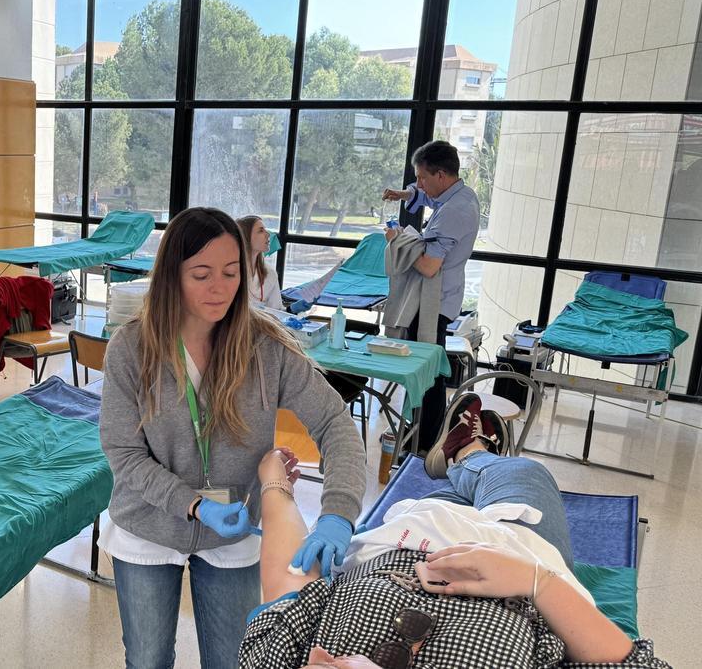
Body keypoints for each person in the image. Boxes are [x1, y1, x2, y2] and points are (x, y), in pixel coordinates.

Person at [100, 207, 366, 669]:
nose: (219, 288)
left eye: (230, 272)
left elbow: (335, 423)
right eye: (201, 274)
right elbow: (124, 453)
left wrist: (338, 513)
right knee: (147, 659)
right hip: (147, 524)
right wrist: (195, 503)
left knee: (233, 659)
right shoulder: (131, 347)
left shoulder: (266, 346)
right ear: (171, 277)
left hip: (236, 530)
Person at [238, 398, 669, 669]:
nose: (316, 657)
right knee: (524, 472)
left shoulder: (282, 659)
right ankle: (470, 451)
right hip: (519, 545)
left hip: (405, 533)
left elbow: (289, 589)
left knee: (450, 492)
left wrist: (274, 481)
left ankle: (465, 457)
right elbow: (631, 661)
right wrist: (534, 581)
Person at [381, 140, 481, 455]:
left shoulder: (454, 212)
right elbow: (428, 198)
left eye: (422, 178)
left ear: (440, 175)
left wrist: (399, 240)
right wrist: (407, 195)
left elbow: (427, 265)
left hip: (433, 302)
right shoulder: (459, 195)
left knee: (426, 371)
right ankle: (423, 433)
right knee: (429, 367)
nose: (419, 185)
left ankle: (424, 442)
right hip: (439, 298)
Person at [236, 215, 283, 310]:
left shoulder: (270, 273)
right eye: (261, 231)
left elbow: (277, 310)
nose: (268, 234)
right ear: (245, 236)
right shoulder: (232, 272)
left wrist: (292, 310)